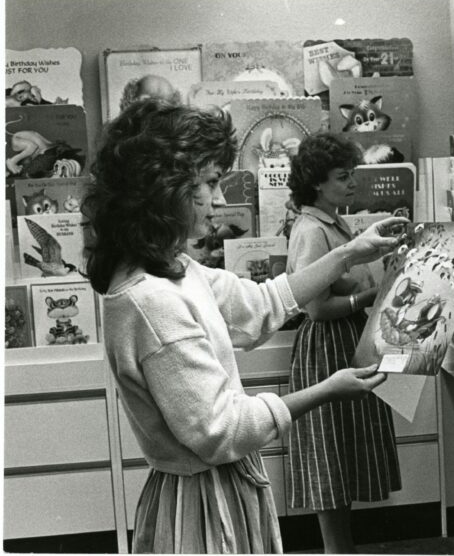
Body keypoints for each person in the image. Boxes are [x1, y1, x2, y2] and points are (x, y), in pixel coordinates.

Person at [81, 100, 407, 554]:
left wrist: (349, 254)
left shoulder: (171, 269)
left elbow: (260, 304)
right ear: (164, 188)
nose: (220, 200)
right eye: (211, 183)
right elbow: (222, 432)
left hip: (215, 491)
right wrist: (327, 390)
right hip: (203, 505)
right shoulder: (151, 300)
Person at [285, 132, 402, 554]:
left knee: (345, 452)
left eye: (352, 173)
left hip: (347, 338)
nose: (351, 182)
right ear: (317, 182)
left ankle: (344, 549)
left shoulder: (334, 221)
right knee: (330, 454)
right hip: (326, 346)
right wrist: (369, 296)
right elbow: (316, 308)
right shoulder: (311, 230)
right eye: (341, 176)